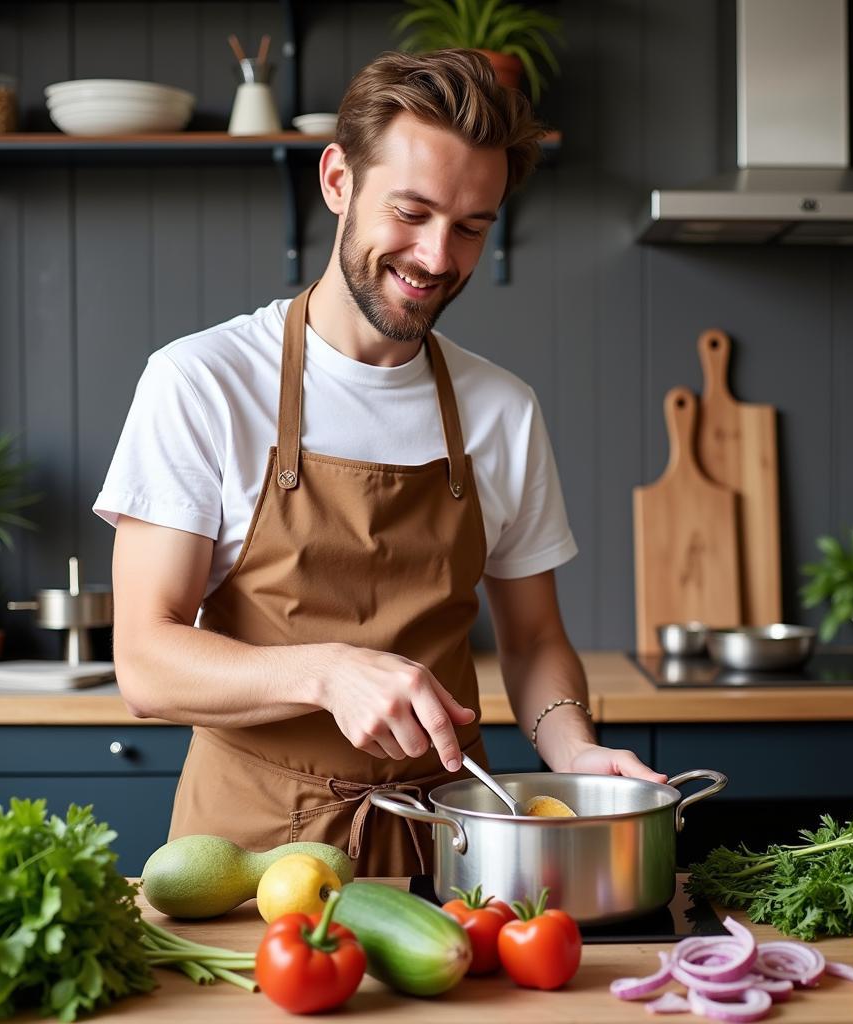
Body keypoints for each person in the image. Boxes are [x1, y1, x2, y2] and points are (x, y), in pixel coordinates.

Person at [95, 49, 666, 876]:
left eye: (472, 227)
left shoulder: (502, 410)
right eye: (412, 212)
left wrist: (573, 750)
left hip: (448, 845)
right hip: (246, 854)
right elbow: (146, 663)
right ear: (338, 182)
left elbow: (535, 638)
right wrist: (329, 674)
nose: (438, 258)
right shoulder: (203, 382)